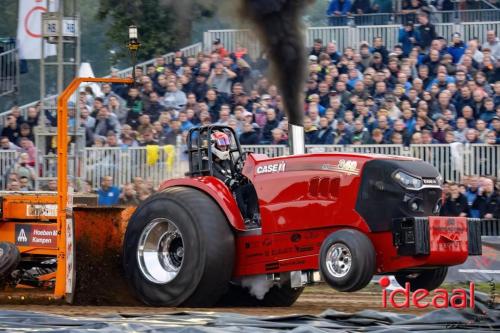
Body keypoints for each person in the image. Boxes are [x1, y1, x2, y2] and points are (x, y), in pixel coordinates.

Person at [210, 131, 259, 227]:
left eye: (225, 145)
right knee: (237, 190)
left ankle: (252, 216)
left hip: (233, 188)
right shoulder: (208, 162)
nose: (224, 147)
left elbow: (234, 172)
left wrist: (240, 175)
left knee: (251, 187)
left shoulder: (227, 160)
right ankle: (244, 219)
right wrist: (228, 181)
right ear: (214, 145)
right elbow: (214, 175)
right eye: (221, 145)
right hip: (220, 191)